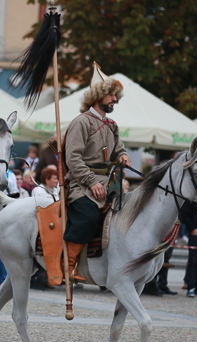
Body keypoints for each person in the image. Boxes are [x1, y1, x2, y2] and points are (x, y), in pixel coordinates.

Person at [63, 62, 130, 282]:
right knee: (87, 218)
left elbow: (117, 149)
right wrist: (92, 182)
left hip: (109, 182)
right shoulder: (81, 122)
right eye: (111, 95)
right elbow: (72, 159)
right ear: (98, 96)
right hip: (81, 184)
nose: (115, 100)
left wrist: (123, 156)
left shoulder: (112, 125)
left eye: (116, 96)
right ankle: (68, 266)